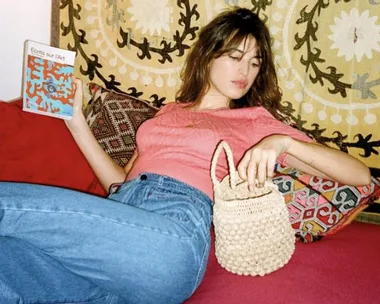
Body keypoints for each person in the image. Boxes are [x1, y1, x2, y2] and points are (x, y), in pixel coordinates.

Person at [0, 6, 370, 304]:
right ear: (209, 54)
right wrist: (75, 121)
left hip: (173, 240)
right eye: (235, 56)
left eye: (255, 62)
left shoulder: (255, 121)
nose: (245, 70)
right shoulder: (168, 112)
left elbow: (359, 175)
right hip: (119, 229)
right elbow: (118, 183)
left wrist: (283, 144)